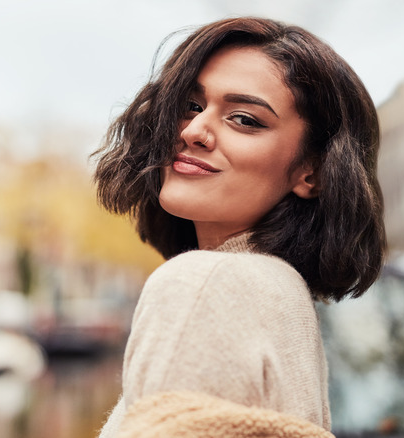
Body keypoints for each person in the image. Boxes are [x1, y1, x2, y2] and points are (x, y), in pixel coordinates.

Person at [92, 16, 386, 437]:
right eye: (191, 106)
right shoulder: (282, 294)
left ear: (312, 172)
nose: (194, 131)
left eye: (244, 119)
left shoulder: (206, 281)